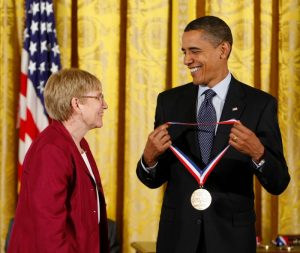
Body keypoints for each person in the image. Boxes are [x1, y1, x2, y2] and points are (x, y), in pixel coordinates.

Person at [136, 16, 290, 253]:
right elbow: (154, 178)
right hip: (178, 238)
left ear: (223, 50)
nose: (187, 60)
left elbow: (279, 182)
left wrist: (258, 153)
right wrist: (149, 159)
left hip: (231, 240)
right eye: (184, 51)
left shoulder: (259, 104)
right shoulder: (169, 101)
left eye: (194, 51)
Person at [8, 68, 110, 253]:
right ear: (77, 104)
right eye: (99, 97)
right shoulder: (51, 150)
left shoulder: (79, 144)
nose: (105, 105)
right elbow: (49, 229)